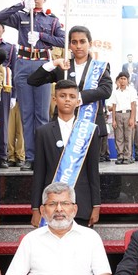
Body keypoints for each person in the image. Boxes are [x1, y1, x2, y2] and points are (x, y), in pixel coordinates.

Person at [0, 0, 66, 171]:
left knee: (41, 115)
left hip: (42, 64)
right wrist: (21, 5)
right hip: (24, 63)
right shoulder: (21, 16)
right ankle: (30, 157)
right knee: (26, 114)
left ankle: (41, 157)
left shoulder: (52, 20)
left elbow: (63, 40)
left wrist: (42, 37)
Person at [27, 25, 112, 166]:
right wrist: (54, 63)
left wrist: (77, 98)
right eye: (74, 42)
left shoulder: (100, 66)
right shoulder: (63, 67)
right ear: (69, 45)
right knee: (59, 166)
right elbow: (33, 80)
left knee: (88, 169)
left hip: (90, 124)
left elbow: (106, 90)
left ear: (90, 43)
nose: (78, 46)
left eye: (82, 41)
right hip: (62, 124)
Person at [31, 80, 101, 228]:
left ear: (78, 101)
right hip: (51, 206)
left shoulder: (89, 130)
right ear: (54, 99)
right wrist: (36, 208)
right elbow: (39, 173)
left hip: (81, 204)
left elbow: (93, 171)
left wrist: (96, 205)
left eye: (72, 96)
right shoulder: (43, 132)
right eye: (62, 96)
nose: (67, 99)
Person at [0, 20, 18, 168]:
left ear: (3, 30)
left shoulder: (10, 47)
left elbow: (15, 70)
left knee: (3, 121)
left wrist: (14, 95)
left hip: (5, 88)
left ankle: (2, 156)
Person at [109, 71, 138, 164]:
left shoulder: (131, 91)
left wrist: (132, 118)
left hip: (128, 114)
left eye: (124, 79)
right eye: (121, 78)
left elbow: (133, 105)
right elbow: (113, 106)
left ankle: (127, 156)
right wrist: (113, 120)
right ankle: (120, 155)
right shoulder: (115, 92)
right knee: (119, 136)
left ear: (128, 80)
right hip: (118, 114)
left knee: (128, 136)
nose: (122, 80)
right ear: (118, 80)